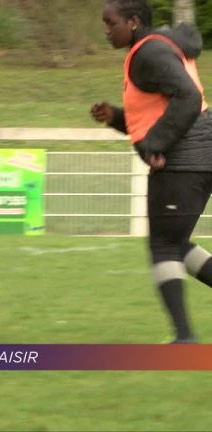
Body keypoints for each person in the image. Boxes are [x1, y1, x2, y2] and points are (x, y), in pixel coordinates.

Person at [91, 0, 212, 343]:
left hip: (184, 158)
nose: (106, 30)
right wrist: (115, 117)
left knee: (164, 245)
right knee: (175, 243)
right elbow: (154, 113)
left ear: (132, 22)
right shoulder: (155, 48)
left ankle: (185, 339)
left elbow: (188, 97)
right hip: (198, 152)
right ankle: (184, 337)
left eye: (110, 23)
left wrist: (156, 144)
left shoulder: (149, 53)